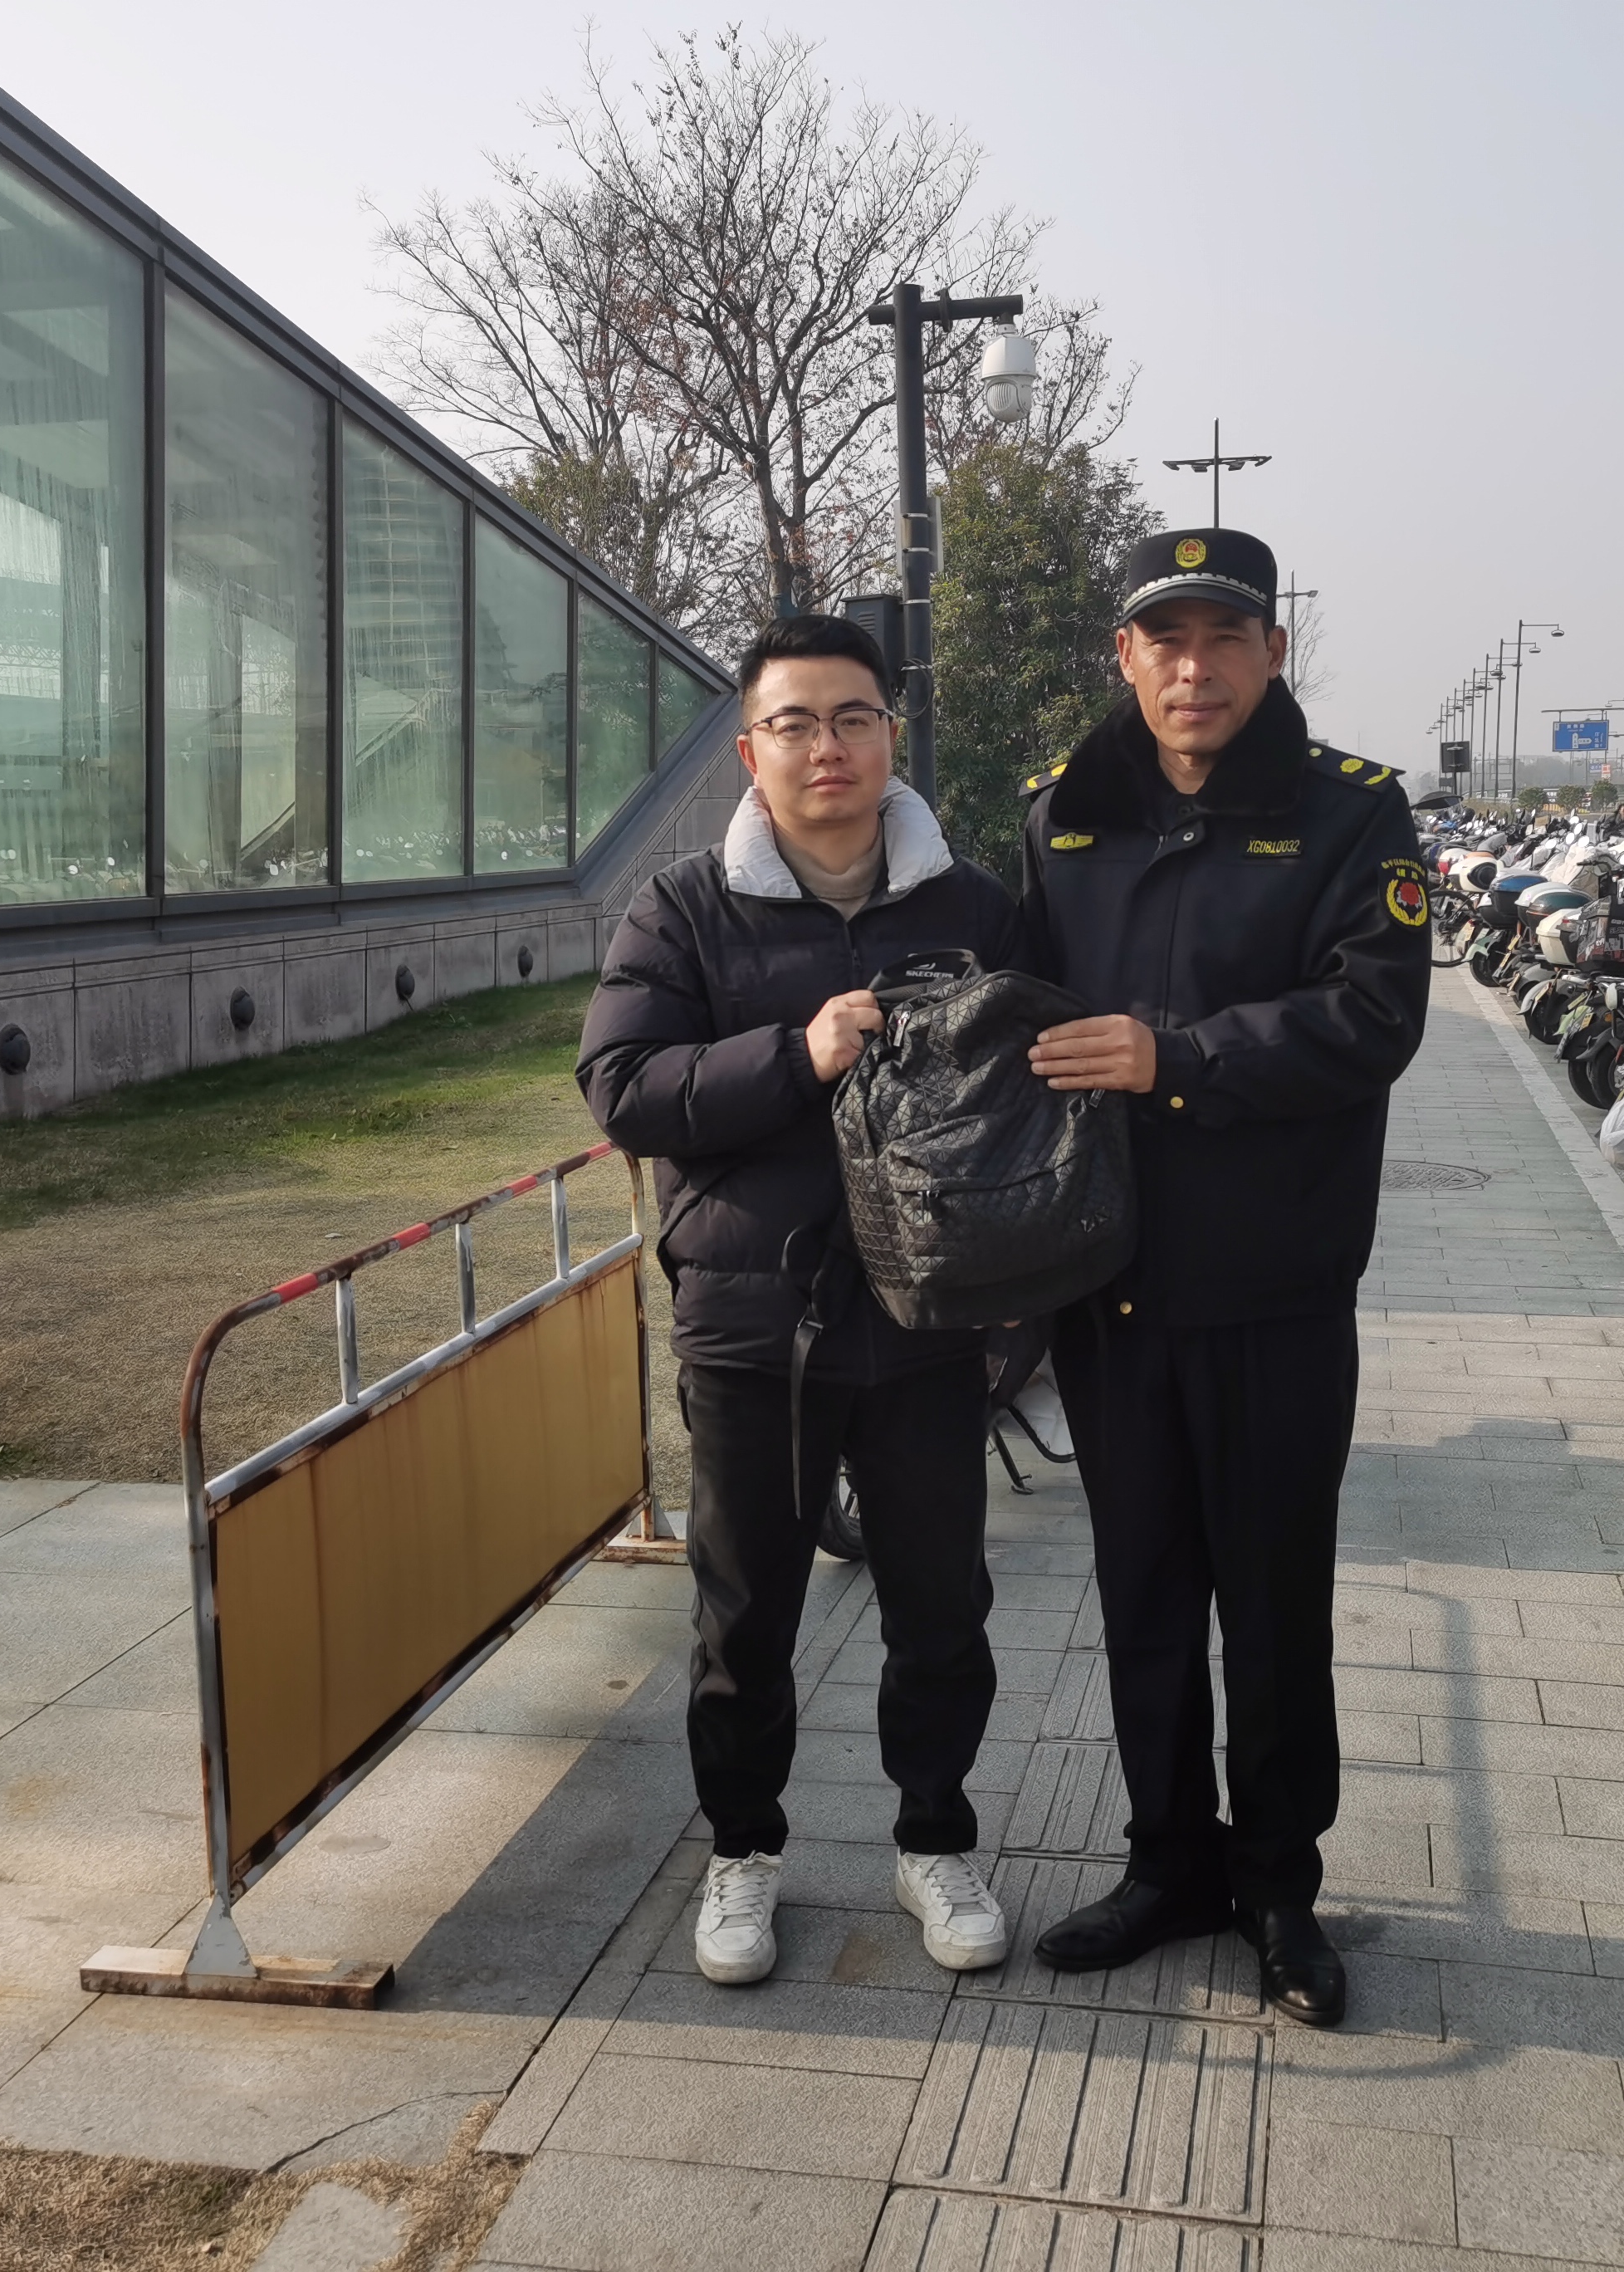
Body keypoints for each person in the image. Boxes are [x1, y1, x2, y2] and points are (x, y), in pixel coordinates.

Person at [1015, 527, 1431, 2025]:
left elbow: (1374, 1018)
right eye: (1166, 640)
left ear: (1272, 652)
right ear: (1125, 656)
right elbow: (1015, 1005)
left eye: (1224, 638)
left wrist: (1174, 1058)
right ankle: (1168, 1865)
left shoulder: (1352, 814)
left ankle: (1277, 1889)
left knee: (1271, 1605)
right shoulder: (1063, 816)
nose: (1194, 669)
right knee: (1140, 1594)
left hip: (1274, 1290)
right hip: (1109, 1288)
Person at [577, 613, 1018, 1987]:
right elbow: (624, 1088)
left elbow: (1030, 1087)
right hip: (753, 1327)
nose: (827, 747)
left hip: (931, 1319)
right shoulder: (683, 907)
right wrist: (798, 1051)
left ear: (891, 734)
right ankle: (743, 1852)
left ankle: (935, 1840)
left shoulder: (972, 907)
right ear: (750, 749)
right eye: (794, 723)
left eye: (853, 718)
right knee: (744, 1617)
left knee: (942, 1608)